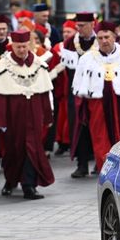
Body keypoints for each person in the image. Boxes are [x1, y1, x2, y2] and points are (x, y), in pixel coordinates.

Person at [71, 21, 120, 177]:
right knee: (101, 139)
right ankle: (106, 172)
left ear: (114, 36)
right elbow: (80, 91)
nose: (104, 41)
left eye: (107, 37)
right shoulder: (87, 59)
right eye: (100, 38)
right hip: (98, 106)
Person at [0, 30, 55, 199]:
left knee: (33, 149)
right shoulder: (4, 65)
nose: (21, 50)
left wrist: (48, 117)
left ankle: (29, 186)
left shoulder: (38, 64)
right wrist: (0, 121)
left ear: (29, 45)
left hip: (34, 113)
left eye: (24, 46)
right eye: (18, 47)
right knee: (13, 150)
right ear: (12, 46)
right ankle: (10, 181)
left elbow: (44, 93)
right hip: (13, 115)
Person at [48, 20, 77, 156]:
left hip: (72, 86)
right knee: (61, 117)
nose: (66, 34)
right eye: (64, 32)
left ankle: (72, 142)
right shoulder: (57, 48)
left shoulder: (77, 46)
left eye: (69, 32)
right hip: (60, 88)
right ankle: (62, 142)